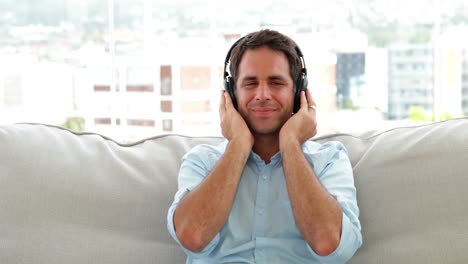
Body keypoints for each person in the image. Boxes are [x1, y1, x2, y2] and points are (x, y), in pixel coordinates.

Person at [167, 29, 362, 263]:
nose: (262, 94)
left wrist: (290, 143)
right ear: (231, 94)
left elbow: (328, 243)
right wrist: (239, 144)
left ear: (298, 91)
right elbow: (193, 236)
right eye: (250, 83)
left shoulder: (330, 160)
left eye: (276, 82)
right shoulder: (201, 161)